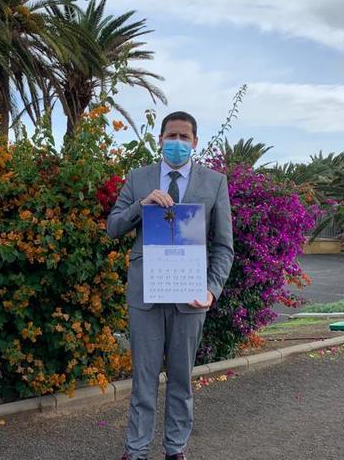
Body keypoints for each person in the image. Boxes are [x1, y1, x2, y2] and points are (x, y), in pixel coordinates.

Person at [107, 110, 234, 460]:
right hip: (146, 294)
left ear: (195, 142)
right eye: (170, 136)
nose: (177, 143)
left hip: (191, 295)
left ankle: (175, 450)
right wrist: (141, 204)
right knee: (143, 380)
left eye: (184, 137)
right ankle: (135, 451)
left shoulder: (214, 182)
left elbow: (224, 245)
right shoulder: (139, 177)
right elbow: (113, 227)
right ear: (159, 139)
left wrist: (212, 288)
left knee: (181, 380)